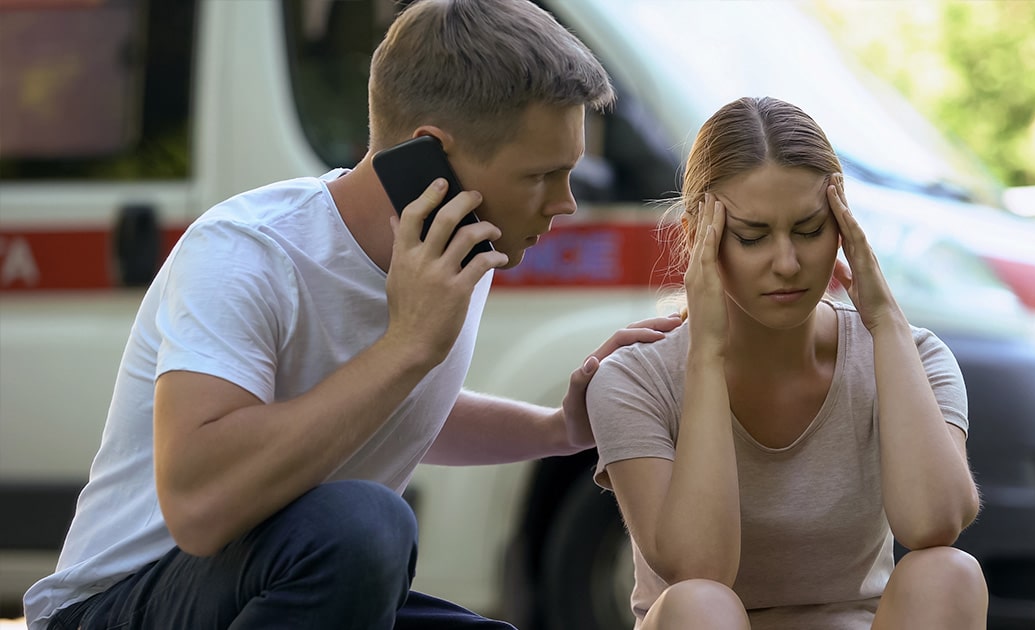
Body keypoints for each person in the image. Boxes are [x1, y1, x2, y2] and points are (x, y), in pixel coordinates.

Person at [23, 1, 681, 629]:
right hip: (120, 604)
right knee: (365, 524)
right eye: (541, 175)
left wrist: (557, 429)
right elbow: (198, 508)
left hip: (272, 586)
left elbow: (388, 407)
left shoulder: (451, 246)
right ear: (434, 159)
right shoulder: (246, 253)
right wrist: (406, 347)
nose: (563, 205)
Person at [587, 96, 989, 630]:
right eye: (752, 236)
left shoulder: (913, 356)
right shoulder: (633, 380)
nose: (787, 263)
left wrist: (886, 322)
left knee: (949, 572)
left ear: (844, 227)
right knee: (700, 602)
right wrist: (706, 354)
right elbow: (699, 568)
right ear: (696, 237)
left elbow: (933, 522)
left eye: (810, 230)